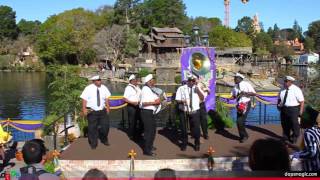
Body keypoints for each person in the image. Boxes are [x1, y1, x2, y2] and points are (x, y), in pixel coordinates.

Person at [80, 75, 111, 149]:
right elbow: (84, 99)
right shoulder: (88, 88)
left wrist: (108, 107)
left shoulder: (104, 88)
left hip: (102, 110)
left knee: (105, 127)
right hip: (92, 111)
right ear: (93, 81)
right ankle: (93, 143)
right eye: (98, 80)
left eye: (100, 80)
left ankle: (104, 139)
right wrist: (84, 109)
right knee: (92, 128)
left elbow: (106, 98)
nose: (100, 81)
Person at [175, 74, 204, 151]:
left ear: (195, 82)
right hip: (184, 110)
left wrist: (198, 91)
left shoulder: (197, 88)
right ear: (187, 81)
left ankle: (197, 143)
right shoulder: (181, 88)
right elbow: (177, 100)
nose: (191, 82)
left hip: (195, 111)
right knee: (183, 128)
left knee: (196, 128)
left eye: (193, 81)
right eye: (190, 81)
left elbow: (202, 98)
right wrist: (182, 101)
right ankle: (184, 144)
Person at [277, 76, 304, 144]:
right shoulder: (282, 89)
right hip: (284, 108)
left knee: (294, 124)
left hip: (293, 109)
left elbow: (302, 101)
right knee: (284, 123)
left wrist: (301, 111)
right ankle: (286, 137)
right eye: (284, 81)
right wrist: (278, 105)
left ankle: (295, 137)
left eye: (286, 81)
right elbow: (279, 98)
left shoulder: (296, 89)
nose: (284, 82)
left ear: (290, 82)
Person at [292, 106, 320, 171]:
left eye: (302, 119)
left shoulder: (308, 133)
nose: (300, 121)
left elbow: (312, 153)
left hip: (312, 168)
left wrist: (298, 155)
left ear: (306, 121)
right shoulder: (316, 130)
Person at [231, 73, 256, 143]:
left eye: (235, 78)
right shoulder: (235, 86)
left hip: (246, 104)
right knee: (239, 121)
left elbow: (254, 93)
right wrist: (229, 98)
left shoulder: (246, 84)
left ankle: (244, 136)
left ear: (240, 78)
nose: (234, 79)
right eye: (234, 78)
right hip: (239, 105)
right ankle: (243, 136)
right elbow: (234, 96)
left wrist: (245, 93)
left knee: (239, 121)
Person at [140, 74, 160, 156]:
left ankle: (150, 146)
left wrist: (158, 99)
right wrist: (155, 102)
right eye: (153, 80)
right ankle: (147, 150)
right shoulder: (145, 90)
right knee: (149, 132)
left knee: (153, 130)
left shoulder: (150, 89)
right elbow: (144, 103)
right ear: (149, 81)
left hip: (150, 112)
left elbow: (156, 98)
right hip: (146, 112)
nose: (154, 82)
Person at [123, 74, 142, 140]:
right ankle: (132, 135)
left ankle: (138, 134)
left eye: (136, 80)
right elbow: (124, 99)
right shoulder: (128, 88)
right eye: (134, 80)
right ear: (131, 81)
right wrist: (132, 103)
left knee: (140, 120)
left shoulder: (137, 87)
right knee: (132, 121)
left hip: (138, 106)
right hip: (132, 106)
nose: (136, 81)